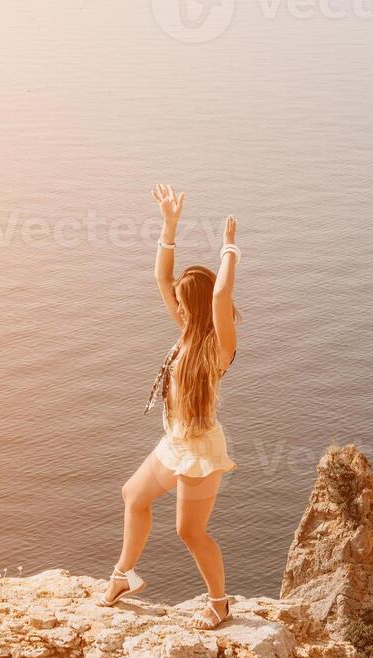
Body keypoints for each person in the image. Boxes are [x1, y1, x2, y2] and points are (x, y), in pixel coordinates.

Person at [101, 184, 240, 630]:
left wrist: (229, 250)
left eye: (182, 299)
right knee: (133, 495)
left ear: (194, 304)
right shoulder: (185, 329)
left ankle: (219, 603)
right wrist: (170, 225)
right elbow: (162, 279)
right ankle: (124, 575)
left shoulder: (219, 345)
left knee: (190, 532)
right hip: (175, 443)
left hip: (199, 452)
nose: (173, 302)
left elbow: (220, 298)